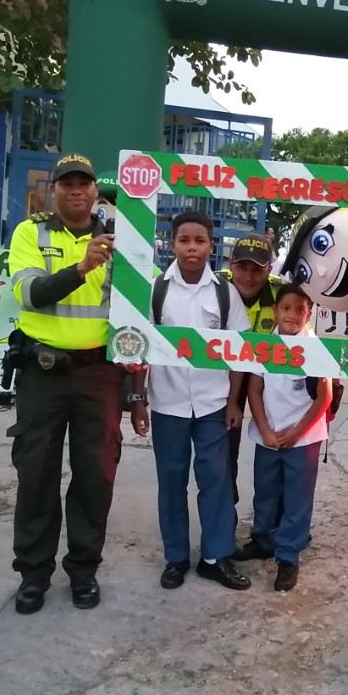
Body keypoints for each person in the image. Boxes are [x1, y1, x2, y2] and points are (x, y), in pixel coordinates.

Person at [6, 153, 126, 615]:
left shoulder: (122, 239)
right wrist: (81, 267)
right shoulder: (30, 232)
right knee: (35, 474)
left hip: (100, 374)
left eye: (85, 183)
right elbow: (31, 294)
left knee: (96, 475)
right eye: (67, 183)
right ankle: (33, 574)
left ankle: (83, 569)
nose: (77, 190)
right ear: (52, 191)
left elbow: (141, 305)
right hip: (43, 371)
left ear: (96, 192)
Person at [129, 211, 253, 591]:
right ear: (173, 244)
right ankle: (176, 558)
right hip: (167, 404)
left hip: (213, 403)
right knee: (171, 480)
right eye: (184, 240)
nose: (192, 248)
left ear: (211, 246)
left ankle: (215, 557)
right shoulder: (155, 290)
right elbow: (137, 345)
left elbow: (240, 353)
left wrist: (234, 403)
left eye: (200, 241)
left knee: (216, 479)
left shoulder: (225, 293)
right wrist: (138, 398)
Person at [234, 285, 330, 591]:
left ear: (309, 314)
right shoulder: (265, 346)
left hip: (303, 439)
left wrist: (298, 432)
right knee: (266, 492)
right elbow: (254, 390)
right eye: (286, 308)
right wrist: (263, 429)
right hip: (269, 436)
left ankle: (288, 555)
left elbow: (324, 397)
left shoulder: (316, 349)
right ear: (276, 310)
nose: (292, 315)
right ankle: (263, 539)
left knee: (297, 498)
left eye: (300, 310)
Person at [215, 233, 286, 508]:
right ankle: (224, 514)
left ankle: (278, 519)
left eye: (257, 269)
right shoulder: (215, 285)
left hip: (267, 379)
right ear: (230, 264)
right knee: (222, 450)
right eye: (242, 267)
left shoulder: (283, 291)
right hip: (224, 375)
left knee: (278, 443)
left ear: (269, 268)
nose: (248, 276)